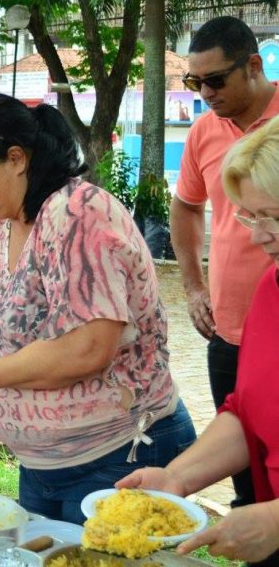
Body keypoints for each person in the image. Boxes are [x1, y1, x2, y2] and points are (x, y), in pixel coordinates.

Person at [0, 93, 196, 524]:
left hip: (119, 456)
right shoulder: (0, 221)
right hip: (43, 465)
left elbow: (88, 348)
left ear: (16, 158)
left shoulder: (79, 214)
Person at [119, 118, 279, 567]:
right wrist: (176, 477)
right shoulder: (271, 288)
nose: (257, 236)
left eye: (275, 217)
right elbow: (249, 413)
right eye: (251, 216)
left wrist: (274, 522)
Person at [170, 16, 279, 508]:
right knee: (249, 482)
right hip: (233, 331)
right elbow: (186, 205)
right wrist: (194, 287)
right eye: (195, 82)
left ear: (253, 66)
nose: (204, 93)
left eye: (214, 80)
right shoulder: (203, 132)